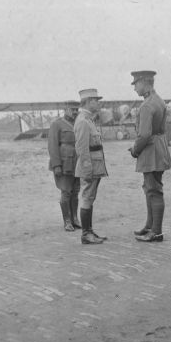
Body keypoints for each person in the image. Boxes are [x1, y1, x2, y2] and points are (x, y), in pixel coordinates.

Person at [129, 71, 171, 242]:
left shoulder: (147, 105)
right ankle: (150, 226)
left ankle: (156, 231)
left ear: (145, 82)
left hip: (150, 151)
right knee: (150, 188)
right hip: (158, 148)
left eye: (136, 84)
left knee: (153, 190)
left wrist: (134, 150)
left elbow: (144, 134)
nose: (135, 88)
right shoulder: (158, 100)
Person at [74, 88, 108, 244]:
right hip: (90, 167)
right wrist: (87, 170)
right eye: (95, 100)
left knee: (90, 198)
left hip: (95, 166)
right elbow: (82, 149)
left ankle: (90, 232)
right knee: (87, 198)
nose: (98, 103)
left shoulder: (89, 120)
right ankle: (86, 234)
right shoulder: (82, 121)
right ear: (87, 102)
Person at [47, 100, 81, 231]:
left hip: (76, 162)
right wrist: (56, 165)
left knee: (76, 192)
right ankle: (67, 221)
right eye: (72, 109)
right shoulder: (57, 124)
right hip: (64, 163)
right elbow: (52, 146)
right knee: (66, 191)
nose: (75, 112)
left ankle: (75, 218)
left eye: (76, 109)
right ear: (65, 109)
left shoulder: (79, 123)